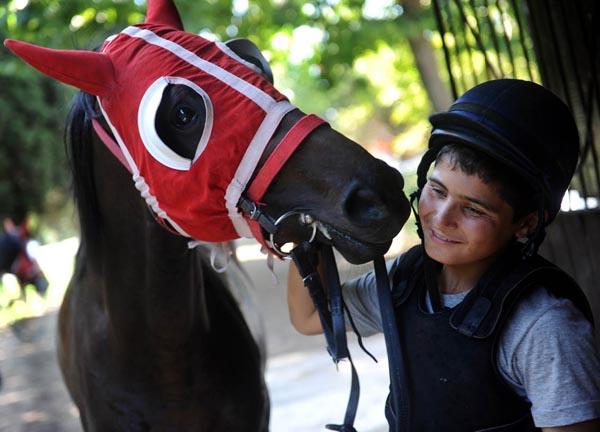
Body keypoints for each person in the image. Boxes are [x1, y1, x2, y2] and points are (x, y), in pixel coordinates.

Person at [287, 79, 600, 431]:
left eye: (473, 210)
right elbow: (312, 317)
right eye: (437, 190)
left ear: (525, 223)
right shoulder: (406, 284)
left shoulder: (543, 328)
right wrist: (307, 227)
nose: (441, 217)